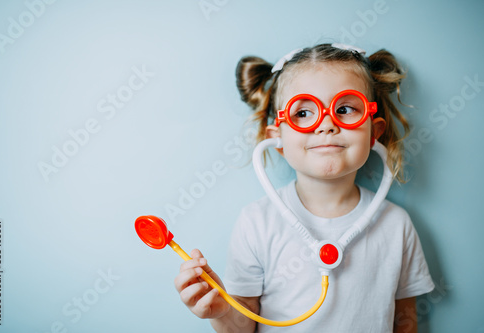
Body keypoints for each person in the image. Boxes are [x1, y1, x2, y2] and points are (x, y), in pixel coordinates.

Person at [174, 43, 435, 332]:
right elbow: (242, 325)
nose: (325, 124)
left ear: (374, 132)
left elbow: (406, 319)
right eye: (303, 114)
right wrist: (222, 312)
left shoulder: (396, 225)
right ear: (278, 139)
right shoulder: (257, 223)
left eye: (345, 109)